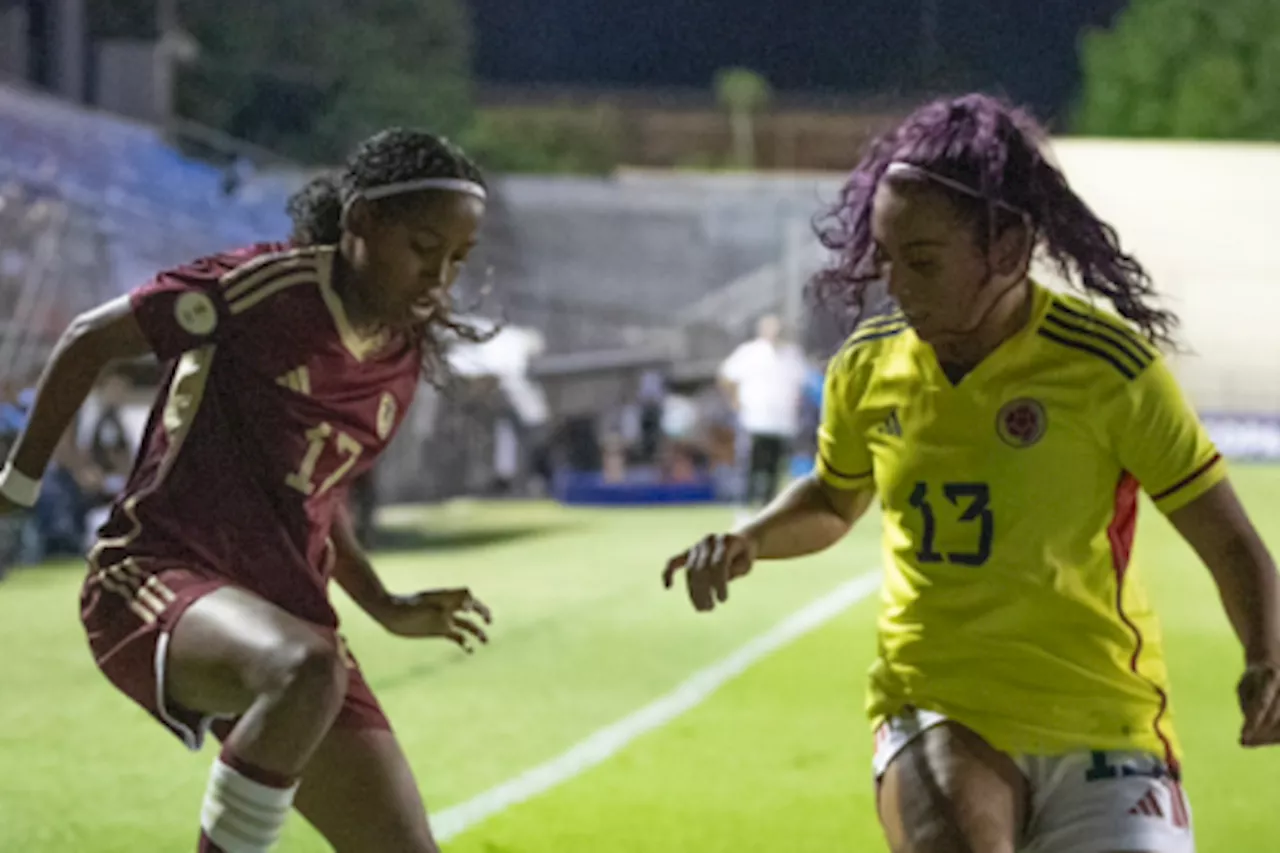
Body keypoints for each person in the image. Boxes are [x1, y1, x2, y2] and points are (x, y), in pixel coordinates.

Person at [662, 94, 1280, 853]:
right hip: (938, 701)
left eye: (922, 262)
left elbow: (1228, 540)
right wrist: (749, 539)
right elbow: (832, 497)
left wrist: (1265, 655)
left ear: (1009, 247)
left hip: (1104, 714)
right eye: (887, 260)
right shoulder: (867, 364)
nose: (898, 286)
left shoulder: (1108, 371)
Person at [0, 128, 496, 853]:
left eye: (456, 259)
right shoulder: (264, 291)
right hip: (157, 576)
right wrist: (16, 490)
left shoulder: (400, 354)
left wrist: (383, 603)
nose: (439, 277)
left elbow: (319, 498)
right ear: (359, 222)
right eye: (423, 247)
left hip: (288, 622)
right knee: (304, 668)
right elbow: (87, 338)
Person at [718, 313, 808, 522]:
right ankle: (743, 510)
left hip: (782, 423)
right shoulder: (749, 353)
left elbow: (802, 382)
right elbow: (726, 375)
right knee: (750, 467)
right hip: (755, 420)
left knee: (774, 469)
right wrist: (735, 400)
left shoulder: (792, 354)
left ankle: (767, 511)